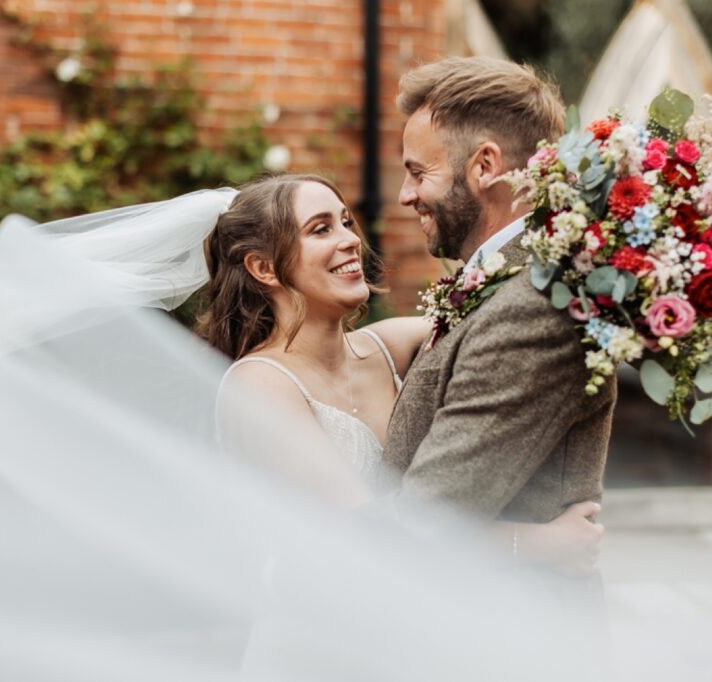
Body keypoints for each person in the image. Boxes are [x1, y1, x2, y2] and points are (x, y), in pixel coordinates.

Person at [200, 173, 603, 575]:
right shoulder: (260, 385)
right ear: (264, 268)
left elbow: (508, 325)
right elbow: (368, 539)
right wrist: (537, 542)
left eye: (346, 222)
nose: (350, 240)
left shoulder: (391, 346)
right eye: (320, 229)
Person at [384, 57, 617, 531]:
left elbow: (427, 520)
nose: (406, 195)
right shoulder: (504, 282)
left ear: (485, 165)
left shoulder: (534, 310)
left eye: (418, 172)